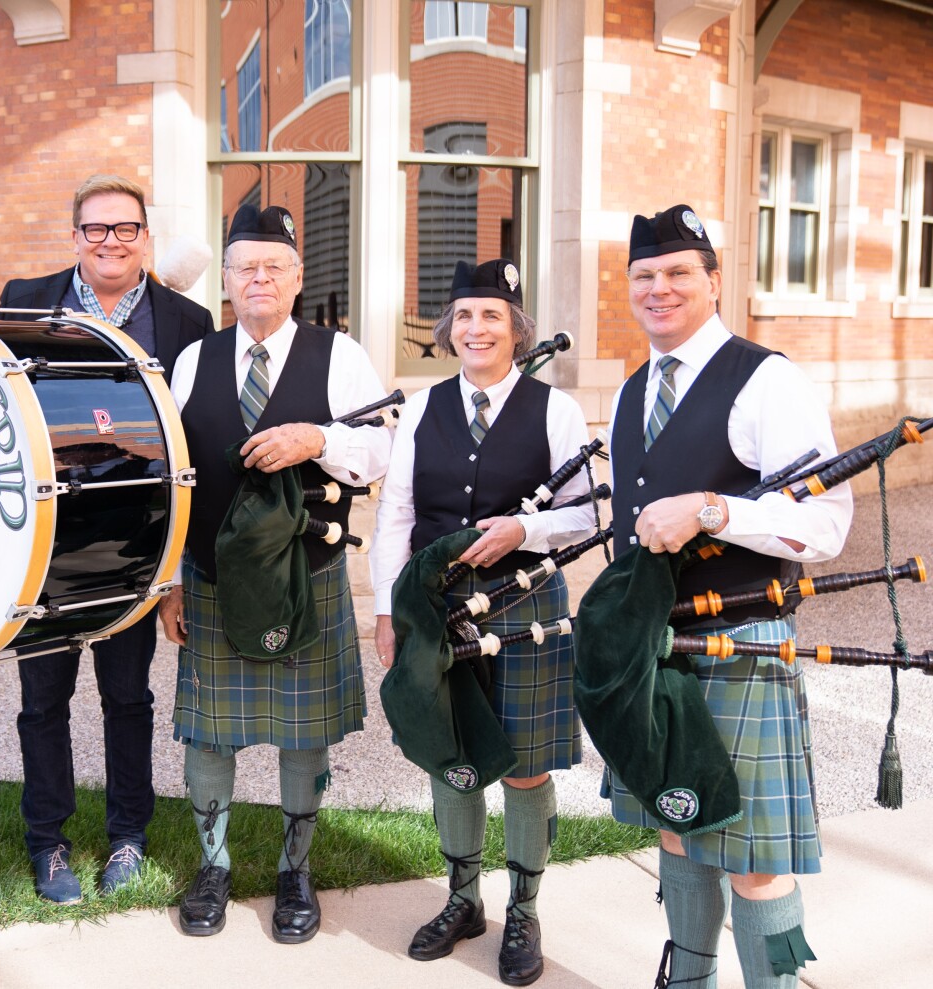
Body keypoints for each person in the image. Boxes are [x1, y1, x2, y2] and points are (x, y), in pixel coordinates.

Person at [604, 204, 852, 988]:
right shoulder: (632, 387)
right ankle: (690, 978)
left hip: (741, 644)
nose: (659, 288)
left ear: (714, 281)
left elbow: (825, 525)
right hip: (657, 653)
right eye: (645, 274)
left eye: (679, 272)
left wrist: (717, 509)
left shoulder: (767, 379)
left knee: (754, 857)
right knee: (678, 828)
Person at [158, 203, 391, 943]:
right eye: (244, 268)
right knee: (210, 736)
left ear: (297, 277)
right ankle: (214, 865)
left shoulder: (340, 355)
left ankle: (296, 868)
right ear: (225, 281)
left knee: (303, 734)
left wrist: (316, 437)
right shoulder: (196, 357)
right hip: (211, 575)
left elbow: (385, 451)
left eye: (273, 267)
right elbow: (174, 474)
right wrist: (167, 580)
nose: (258, 279)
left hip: (306, 573)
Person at [370, 258, 592, 986]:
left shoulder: (555, 409)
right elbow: (397, 514)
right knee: (452, 755)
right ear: (448, 329)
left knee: (525, 770)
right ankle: (463, 901)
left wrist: (523, 532)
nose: (475, 328)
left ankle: (523, 908)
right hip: (434, 608)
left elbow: (588, 515)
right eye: (463, 316)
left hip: (525, 603)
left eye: (491, 315)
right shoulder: (423, 408)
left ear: (516, 328)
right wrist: (387, 609)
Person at [0, 174, 214, 902]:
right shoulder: (25, 299)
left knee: (128, 696)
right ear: (75, 236)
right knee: (42, 701)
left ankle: (128, 835)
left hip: (137, 545)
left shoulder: (187, 322)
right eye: (96, 229)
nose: (110, 242)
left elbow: (193, 453)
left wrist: (176, 570)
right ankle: (48, 843)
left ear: (146, 237)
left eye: (125, 229)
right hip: (43, 546)